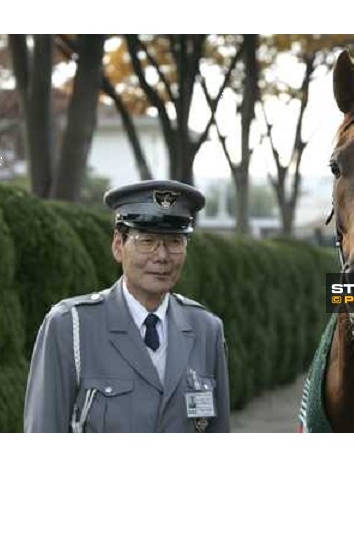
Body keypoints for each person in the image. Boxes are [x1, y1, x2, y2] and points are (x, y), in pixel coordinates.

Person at [24, 180, 230, 433]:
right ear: (118, 245)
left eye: (175, 242)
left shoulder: (206, 329)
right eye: (147, 241)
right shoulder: (70, 327)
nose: (162, 256)